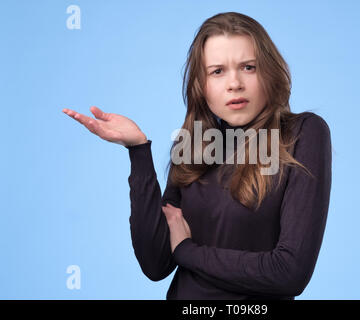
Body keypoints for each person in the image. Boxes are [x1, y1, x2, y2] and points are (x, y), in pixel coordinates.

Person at [62, 12, 332, 300]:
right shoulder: (192, 146)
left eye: (248, 67)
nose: (234, 83)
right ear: (201, 87)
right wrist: (138, 151)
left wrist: (187, 251)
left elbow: (289, 274)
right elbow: (156, 265)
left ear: (268, 72)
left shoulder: (303, 133)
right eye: (218, 71)